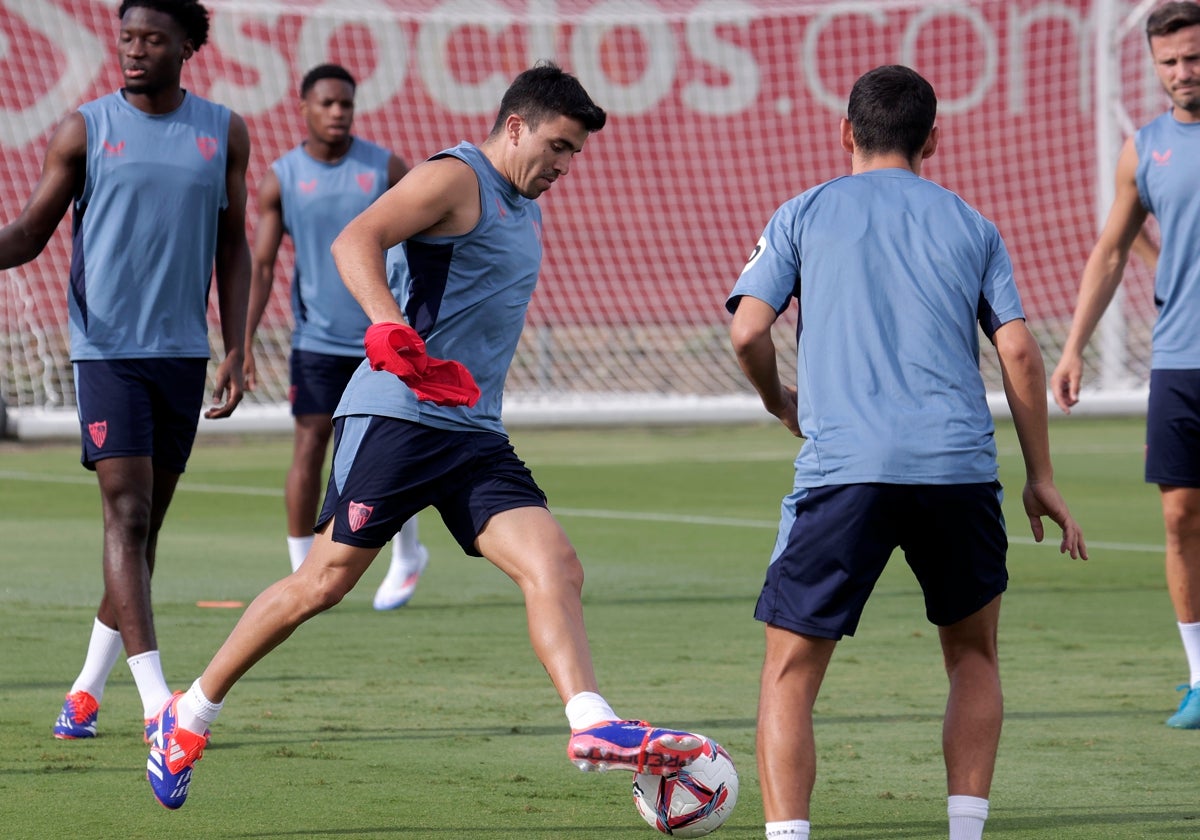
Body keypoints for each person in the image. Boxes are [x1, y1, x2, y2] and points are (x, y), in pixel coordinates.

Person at [145, 61, 706, 810]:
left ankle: (590, 723)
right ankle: (187, 715)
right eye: (560, 147)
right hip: (398, 417)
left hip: (472, 432)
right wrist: (388, 324)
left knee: (556, 563)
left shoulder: (525, 202)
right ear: (516, 127)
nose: (566, 166)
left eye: (576, 153)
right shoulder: (457, 175)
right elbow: (357, 239)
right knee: (324, 582)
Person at [727, 65, 1087, 840]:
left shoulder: (802, 213)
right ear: (934, 140)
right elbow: (1020, 354)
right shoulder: (972, 224)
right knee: (972, 656)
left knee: (790, 675)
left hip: (844, 472)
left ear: (846, 134)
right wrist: (1042, 477)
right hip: (957, 472)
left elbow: (747, 331)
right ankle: (965, 833)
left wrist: (775, 400)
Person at [0, 0, 250, 742]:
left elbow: (232, 247)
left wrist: (237, 343)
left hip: (182, 355)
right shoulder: (85, 127)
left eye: (151, 40)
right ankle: (156, 705)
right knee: (128, 514)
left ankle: (85, 690)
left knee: (143, 533)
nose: (134, 51)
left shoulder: (224, 130)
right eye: (126, 39)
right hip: (105, 351)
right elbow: (27, 232)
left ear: (185, 47)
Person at [1051, 0, 1200, 730]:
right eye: (1169, 61)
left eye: (1194, 57)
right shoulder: (1143, 148)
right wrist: (1075, 345)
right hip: (1179, 358)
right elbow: (1112, 250)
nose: (1182, 72)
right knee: (1179, 516)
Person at [245, 62, 429, 610]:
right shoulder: (282, 177)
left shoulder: (384, 168)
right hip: (317, 342)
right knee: (309, 447)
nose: (337, 112)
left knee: (391, 450)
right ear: (303, 108)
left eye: (345, 104)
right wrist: (244, 342)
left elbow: (425, 242)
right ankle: (301, 569)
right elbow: (260, 266)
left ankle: (408, 552)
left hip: (382, 337)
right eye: (326, 103)